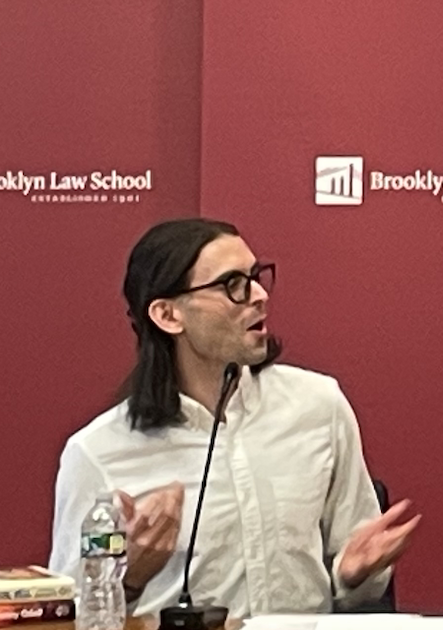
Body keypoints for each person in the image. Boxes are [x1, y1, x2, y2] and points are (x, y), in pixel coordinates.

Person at [49, 218, 420, 616]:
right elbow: (69, 614)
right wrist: (131, 579)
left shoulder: (318, 406)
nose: (259, 295)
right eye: (232, 284)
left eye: (256, 276)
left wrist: (353, 575)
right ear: (168, 315)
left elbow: (358, 586)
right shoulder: (100, 453)